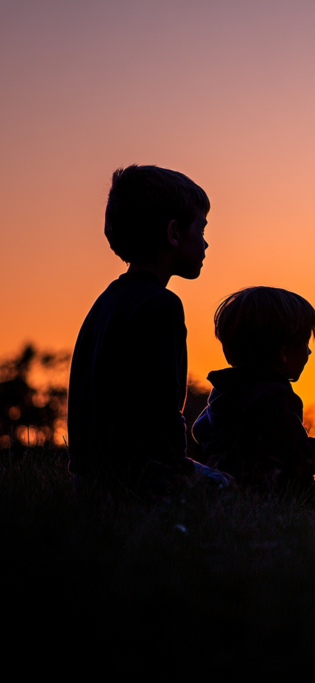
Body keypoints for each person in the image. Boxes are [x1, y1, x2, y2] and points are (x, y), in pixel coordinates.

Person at [68, 165, 230, 496]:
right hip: (139, 479)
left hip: (87, 480)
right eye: (200, 229)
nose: (205, 243)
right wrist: (179, 469)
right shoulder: (161, 305)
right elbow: (160, 410)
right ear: (174, 233)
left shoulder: (105, 303)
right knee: (233, 487)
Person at [192, 286, 315, 505]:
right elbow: (301, 461)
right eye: (305, 343)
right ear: (283, 353)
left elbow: (282, 452)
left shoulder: (223, 394)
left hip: (235, 500)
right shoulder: (274, 395)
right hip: (274, 502)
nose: (309, 352)